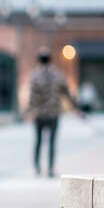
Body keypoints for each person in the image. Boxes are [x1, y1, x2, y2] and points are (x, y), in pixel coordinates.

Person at [25, 49, 79, 177]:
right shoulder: (58, 75)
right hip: (53, 113)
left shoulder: (35, 76)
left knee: (38, 141)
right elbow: (66, 93)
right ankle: (50, 169)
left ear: (38, 60)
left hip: (39, 114)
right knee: (52, 142)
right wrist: (75, 107)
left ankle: (37, 168)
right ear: (50, 59)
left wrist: (29, 112)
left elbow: (33, 98)